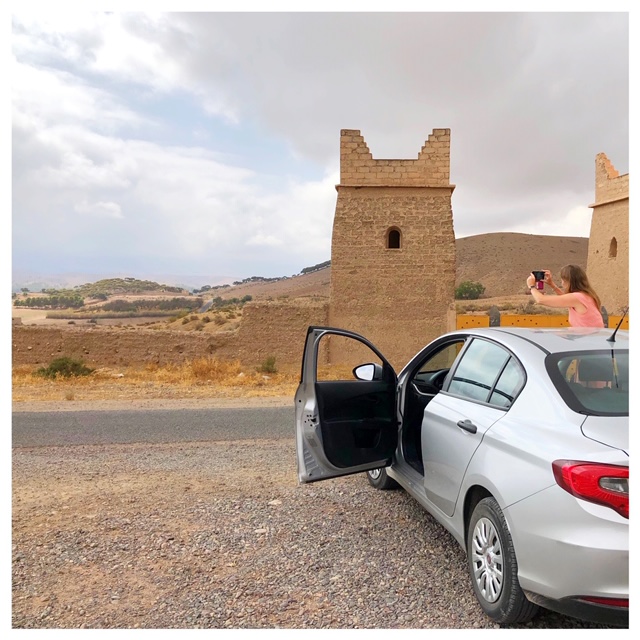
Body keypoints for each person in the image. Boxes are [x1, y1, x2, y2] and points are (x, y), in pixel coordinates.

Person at [526, 264, 604, 328]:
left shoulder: (577, 298)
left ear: (569, 281)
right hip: (592, 340)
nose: (562, 283)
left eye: (563, 280)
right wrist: (552, 284)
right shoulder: (587, 295)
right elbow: (565, 298)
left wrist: (531, 286)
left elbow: (541, 300)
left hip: (587, 342)